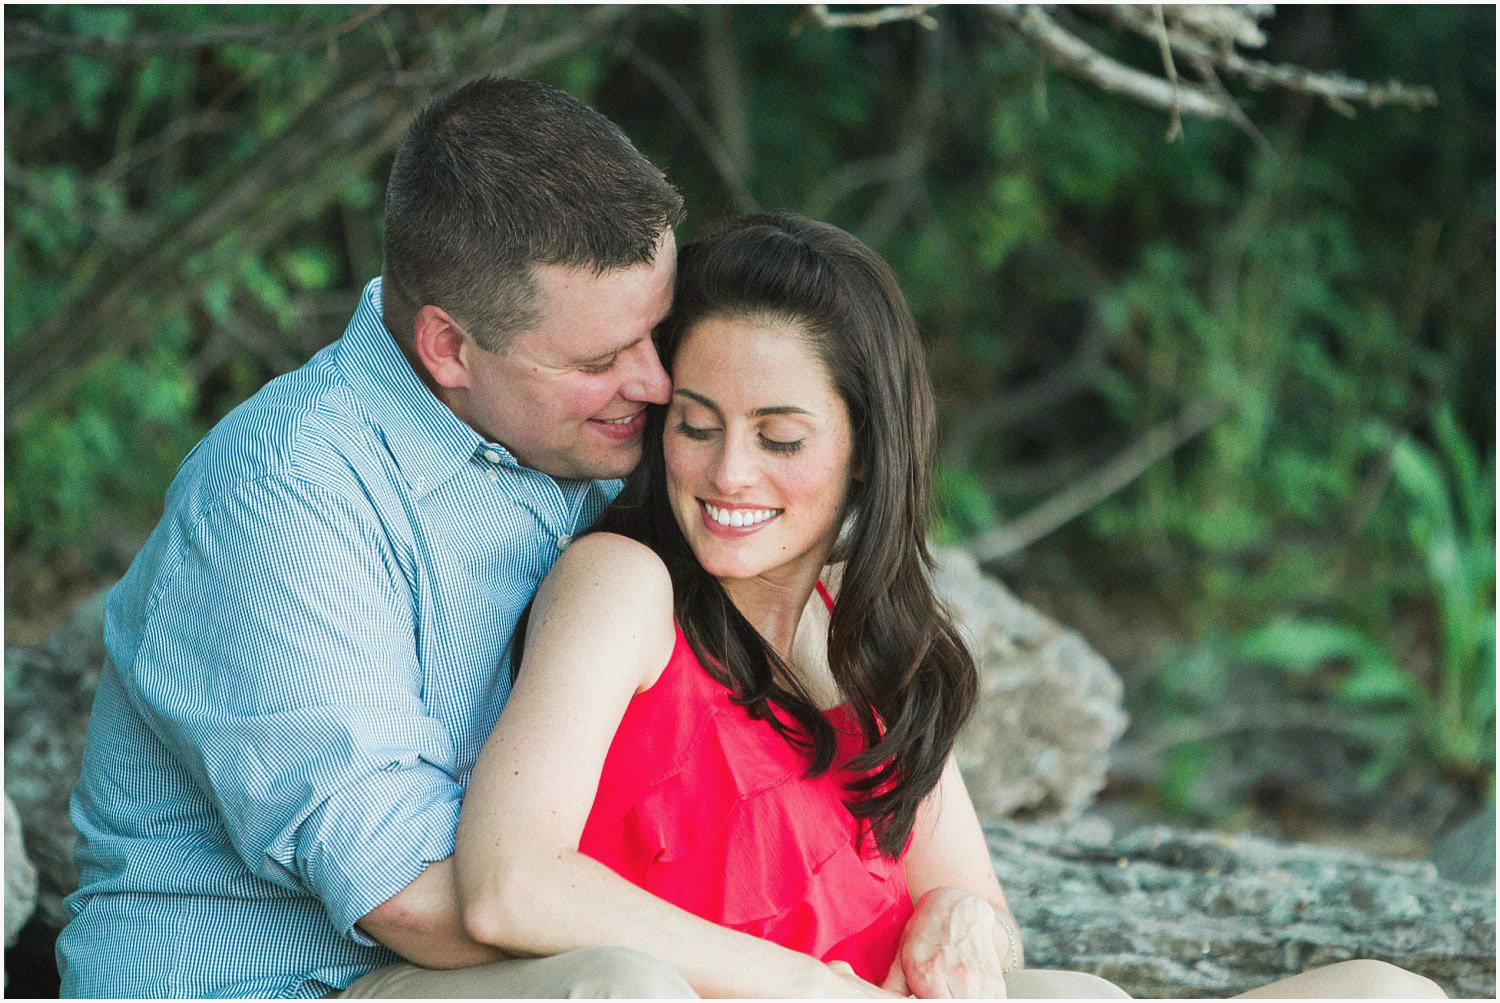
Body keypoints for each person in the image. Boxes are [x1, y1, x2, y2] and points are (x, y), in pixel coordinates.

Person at [449, 213, 1451, 1001]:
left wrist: (963, 925)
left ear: (867, 452)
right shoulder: (624, 587)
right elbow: (510, 882)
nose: (728, 473)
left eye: (781, 437)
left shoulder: (865, 640)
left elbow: (978, 908)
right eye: (697, 425)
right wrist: (804, 986)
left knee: (1389, 990)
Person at [57, 76, 697, 998]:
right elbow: (406, 897)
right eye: (600, 361)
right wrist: (780, 968)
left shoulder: (590, 434)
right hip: (298, 978)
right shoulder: (284, 491)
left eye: (659, 331)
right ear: (448, 348)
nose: (658, 382)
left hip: (498, 939)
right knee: (622, 992)